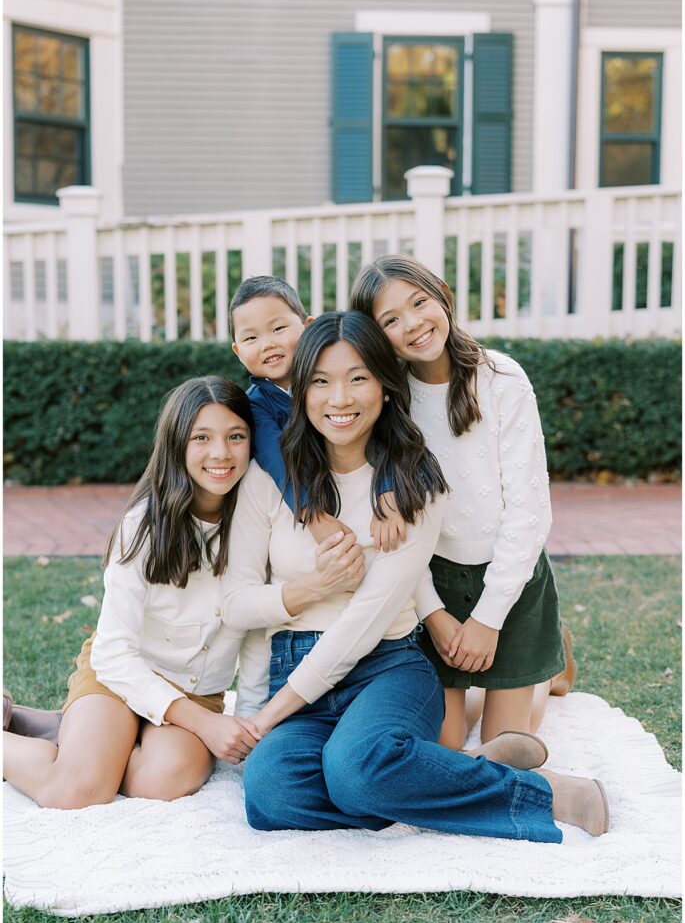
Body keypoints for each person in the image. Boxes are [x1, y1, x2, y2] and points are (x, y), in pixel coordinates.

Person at [223, 311, 609, 841]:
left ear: (385, 386)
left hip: (385, 666)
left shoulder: (412, 488)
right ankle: (454, 771)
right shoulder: (271, 479)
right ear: (300, 389)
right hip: (293, 665)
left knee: (356, 771)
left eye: (357, 378)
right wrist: (307, 590)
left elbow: (363, 624)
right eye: (320, 381)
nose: (339, 399)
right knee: (271, 793)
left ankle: (547, 793)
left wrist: (266, 719)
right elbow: (235, 602)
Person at [3, 377, 269, 810]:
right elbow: (113, 655)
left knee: (165, 779)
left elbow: (258, 629)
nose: (221, 453)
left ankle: (70, 734)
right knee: (77, 791)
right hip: (120, 677)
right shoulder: (143, 526)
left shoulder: (261, 523)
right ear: (176, 444)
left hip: (196, 688)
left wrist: (246, 719)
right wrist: (202, 723)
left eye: (236, 437)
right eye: (201, 437)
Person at [349, 255, 577, 751]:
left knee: (506, 746)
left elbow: (529, 511)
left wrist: (488, 619)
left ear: (443, 295)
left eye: (419, 302)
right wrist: (433, 613)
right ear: (375, 335)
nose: (412, 324)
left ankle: (544, 674)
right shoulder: (388, 400)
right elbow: (400, 529)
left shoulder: (502, 379)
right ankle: (500, 681)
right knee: (446, 744)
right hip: (431, 581)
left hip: (510, 582)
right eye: (390, 320)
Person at [230, 275, 406, 552]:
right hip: (298, 508)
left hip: (360, 485)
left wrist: (387, 489)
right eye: (251, 337)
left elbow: (384, 431)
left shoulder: (334, 381)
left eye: (277, 328)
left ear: (307, 327)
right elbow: (275, 457)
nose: (267, 344)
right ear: (238, 352)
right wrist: (310, 514)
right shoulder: (256, 405)